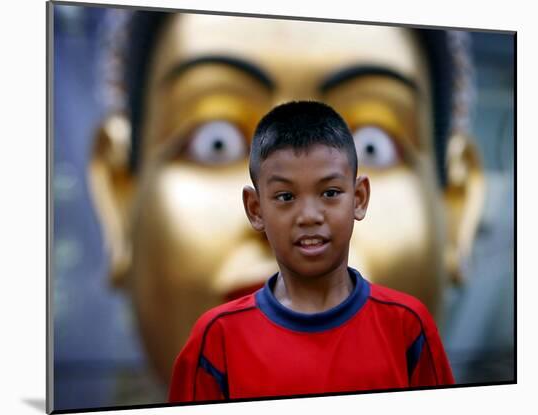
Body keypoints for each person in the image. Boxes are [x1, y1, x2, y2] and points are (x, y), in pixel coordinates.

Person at [90, 10, 483, 385]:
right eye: (216, 141)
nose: (303, 214)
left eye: (371, 146)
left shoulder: (410, 328)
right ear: (121, 196)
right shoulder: (211, 344)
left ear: (454, 206)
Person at [168, 101, 455, 402]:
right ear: (255, 209)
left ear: (359, 198)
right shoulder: (218, 339)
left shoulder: (406, 326)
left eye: (330, 193)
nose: (308, 216)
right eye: (285, 196)